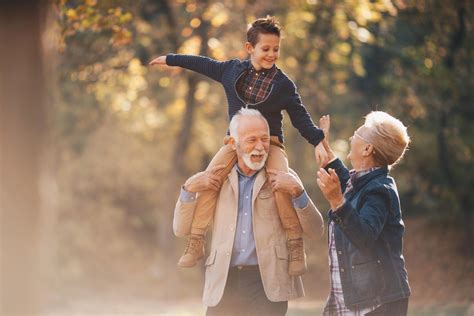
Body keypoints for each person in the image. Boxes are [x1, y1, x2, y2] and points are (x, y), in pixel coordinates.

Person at [150, 16, 327, 275]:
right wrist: (171, 58)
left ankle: (295, 246)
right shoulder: (231, 71)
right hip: (234, 143)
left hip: (271, 143)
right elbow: (202, 63)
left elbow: (299, 116)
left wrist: (318, 140)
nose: (271, 54)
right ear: (249, 48)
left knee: (281, 184)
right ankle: (196, 240)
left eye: (276, 49)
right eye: (265, 49)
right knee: (210, 180)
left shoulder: (283, 85)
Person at [173, 109, 324, 315]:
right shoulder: (216, 179)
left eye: (264, 139)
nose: (261, 147)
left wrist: (299, 192)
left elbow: (316, 230)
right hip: (223, 282)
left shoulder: (283, 176)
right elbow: (180, 229)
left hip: (267, 284)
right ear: (234, 144)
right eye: (252, 139)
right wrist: (189, 188)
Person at [316, 112, 411, 315]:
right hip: (357, 298)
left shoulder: (380, 190)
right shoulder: (359, 182)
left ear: (367, 149)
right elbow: (345, 178)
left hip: (378, 303)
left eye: (357, 134)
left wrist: (336, 201)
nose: (352, 137)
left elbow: (364, 236)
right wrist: (324, 145)